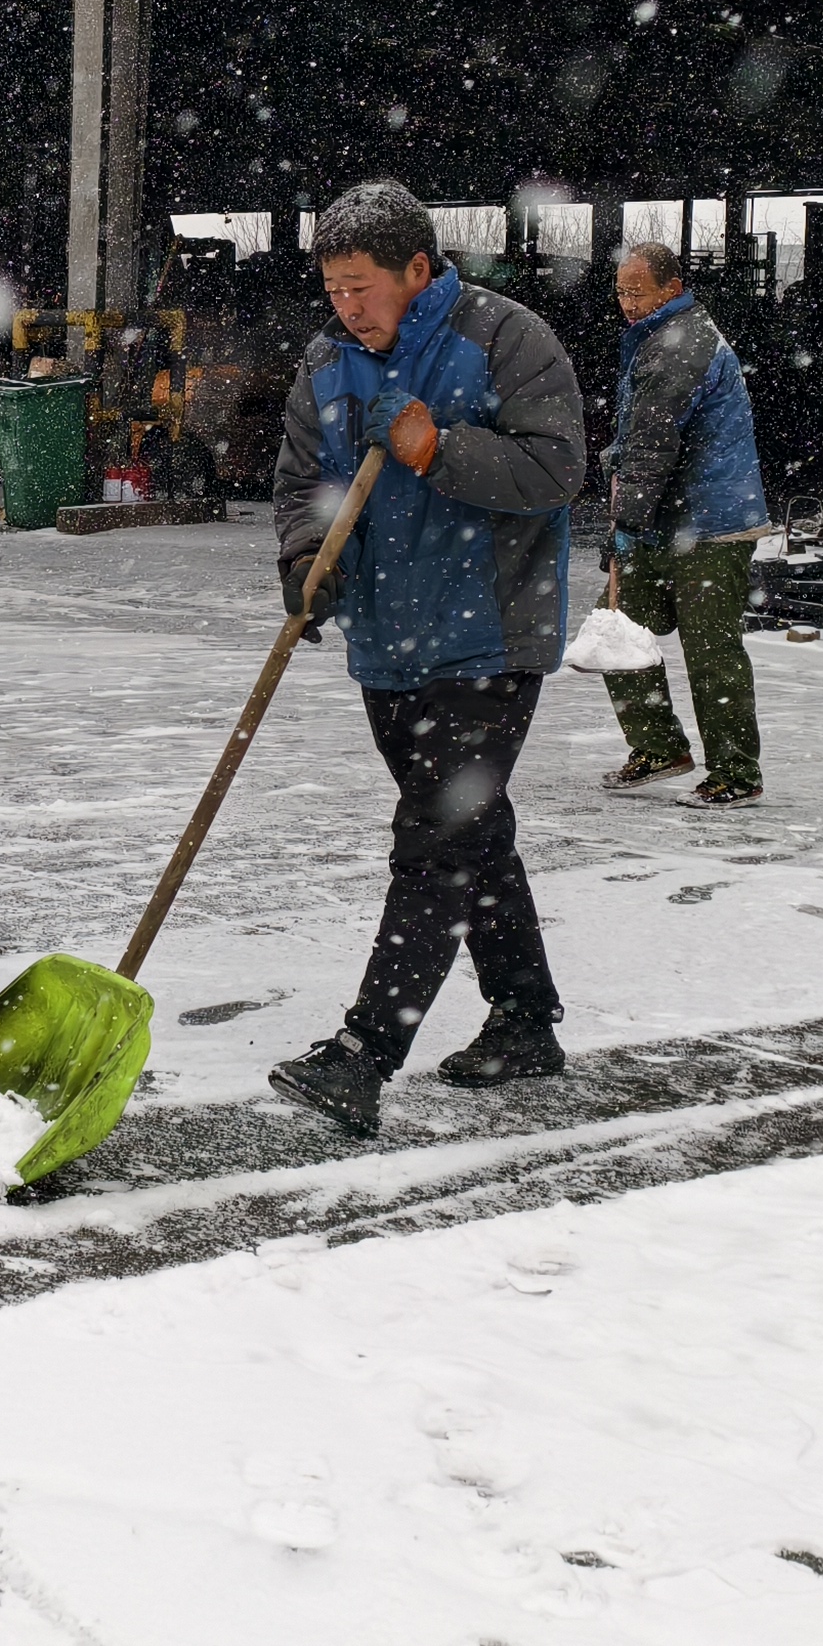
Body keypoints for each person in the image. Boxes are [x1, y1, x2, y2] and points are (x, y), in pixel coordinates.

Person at [265, 180, 587, 1137]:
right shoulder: (328, 364)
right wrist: (303, 562)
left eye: (360, 287)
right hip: (389, 645)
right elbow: (302, 482)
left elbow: (557, 471)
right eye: (331, 290)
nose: (345, 308)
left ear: (418, 269)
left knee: (438, 838)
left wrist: (438, 448)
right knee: (471, 832)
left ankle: (367, 1052)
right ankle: (525, 1021)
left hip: (487, 639)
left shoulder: (506, 340)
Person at [598, 239, 768, 806]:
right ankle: (658, 746)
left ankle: (736, 773)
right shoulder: (657, 337)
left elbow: (652, 444)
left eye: (636, 291)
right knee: (618, 629)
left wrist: (623, 521)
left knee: (712, 652)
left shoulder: (682, 342)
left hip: (711, 523)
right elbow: (639, 440)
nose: (626, 302)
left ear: (672, 288)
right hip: (667, 521)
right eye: (620, 290)